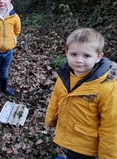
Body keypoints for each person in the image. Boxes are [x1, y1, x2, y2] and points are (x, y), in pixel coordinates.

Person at [45, 28, 117, 158]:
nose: (79, 60)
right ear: (66, 53)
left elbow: (111, 127)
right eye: (73, 54)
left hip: (85, 145)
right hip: (67, 134)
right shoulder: (65, 75)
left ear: (98, 57)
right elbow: (55, 98)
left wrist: (108, 156)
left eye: (86, 56)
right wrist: (50, 119)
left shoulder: (107, 87)